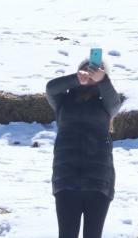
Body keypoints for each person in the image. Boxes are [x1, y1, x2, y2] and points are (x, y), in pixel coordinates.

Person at [46, 58, 123, 238]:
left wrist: (102, 80)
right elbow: (50, 88)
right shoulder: (63, 101)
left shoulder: (105, 102)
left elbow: (115, 104)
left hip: (98, 179)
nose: (90, 73)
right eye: (86, 70)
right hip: (66, 177)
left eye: (96, 71)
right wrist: (75, 79)